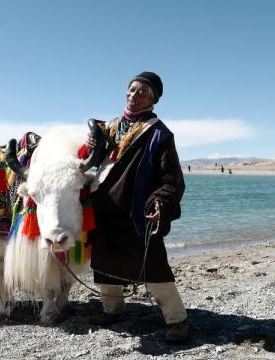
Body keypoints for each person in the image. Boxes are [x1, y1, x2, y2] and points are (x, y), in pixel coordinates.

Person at [83, 71, 189, 343]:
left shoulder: (159, 135)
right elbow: (92, 160)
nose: (134, 95)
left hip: (136, 213)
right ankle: (112, 310)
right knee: (104, 263)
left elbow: (171, 180)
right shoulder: (110, 128)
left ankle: (177, 320)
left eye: (142, 92)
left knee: (153, 266)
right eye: (131, 90)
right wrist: (91, 144)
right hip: (105, 210)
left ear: (153, 100)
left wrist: (160, 203)